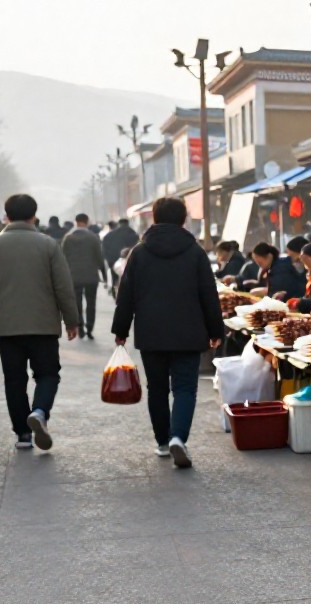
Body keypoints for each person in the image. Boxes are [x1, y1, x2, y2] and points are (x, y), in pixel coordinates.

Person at [111, 198, 223, 468]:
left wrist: (121, 328)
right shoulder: (194, 252)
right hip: (188, 331)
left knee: (158, 389)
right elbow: (209, 293)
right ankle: (178, 438)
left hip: (152, 333)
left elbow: (126, 293)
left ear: (155, 218)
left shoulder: (139, 252)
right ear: (184, 219)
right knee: (185, 388)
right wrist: (215, 329)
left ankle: (162, 442)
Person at [0, 194, 81, 450]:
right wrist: (72, 320)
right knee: (48, 374)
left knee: (14, 380)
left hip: (6, 327)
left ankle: (22, 434)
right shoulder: (48, 245)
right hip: (43, 325)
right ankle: (40, 411)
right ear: (34, 215)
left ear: (6, 215)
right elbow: (63, 286)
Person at [61, 213, 107, 340]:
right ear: (87, 222)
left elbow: (62, 259)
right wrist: (104, 276)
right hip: (91, 277)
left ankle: (80, 327)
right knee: (91, 302)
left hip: (73, 277)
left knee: (77, 303)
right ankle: (90, 327)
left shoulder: (68, 238)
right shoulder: (93, 237)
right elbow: (99, 258)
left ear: (76, 221)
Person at [102, 219, 139, 287]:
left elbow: (105, 251)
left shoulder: (109, 235)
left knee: (116, 283)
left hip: (114, 263)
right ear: (128, 224)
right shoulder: (134, 235)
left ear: (118, 224)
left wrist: (111, 263)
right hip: (131, 264)